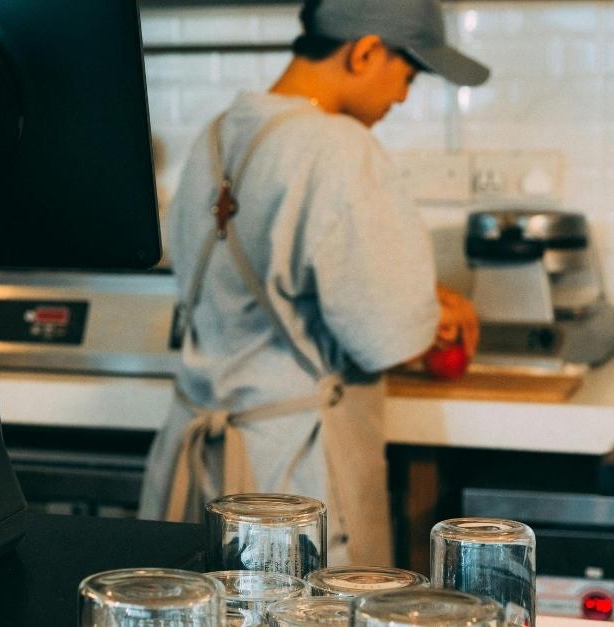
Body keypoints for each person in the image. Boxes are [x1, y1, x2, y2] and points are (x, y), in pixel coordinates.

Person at [139, 0, 487, 567]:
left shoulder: (214, 135)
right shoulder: (339, 146)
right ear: (367, 51)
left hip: (193, 459)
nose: (402, 96)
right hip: (293, 481)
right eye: (409, 73)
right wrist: (434, 314)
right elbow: (389, 336)